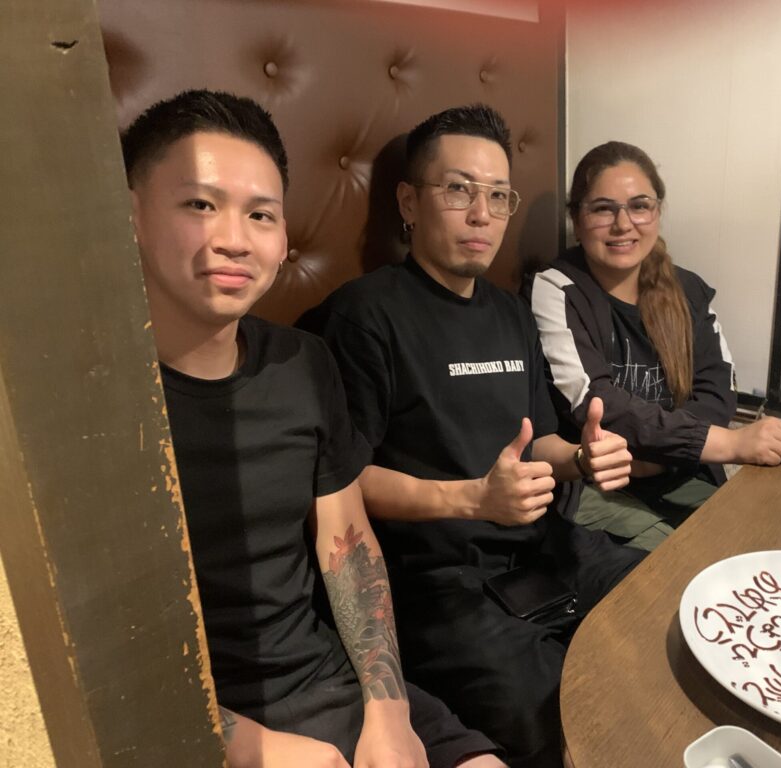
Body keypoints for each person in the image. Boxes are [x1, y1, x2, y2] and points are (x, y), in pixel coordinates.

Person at [122, 89, 504, 768]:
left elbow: (346, 543)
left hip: (326, 677)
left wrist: (388, 713)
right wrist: (256, 748)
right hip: (183, 719)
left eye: (261, 214)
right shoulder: (91, 407)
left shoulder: (303, 362)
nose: (234, 239)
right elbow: (94, 651)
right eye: (200, 204)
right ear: (130, 215)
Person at [298, 105, 643, 768]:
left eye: (497, 196)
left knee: (667, 609)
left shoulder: (510, 314)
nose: (482, 214)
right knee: (572, 721)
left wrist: (582, 458)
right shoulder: (366, 315)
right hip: (438, 586)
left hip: (546, 548)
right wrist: (474, 499)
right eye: (459, 190)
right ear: (409, 202)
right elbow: (344, 480)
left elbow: (538, 444)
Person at [526, 141, 781, 551]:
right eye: (603, 209)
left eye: (639, 206)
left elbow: (717, 391)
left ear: (657, 211)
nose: (623, 224)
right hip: (597, 484)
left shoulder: (687, 289)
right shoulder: (556, 288)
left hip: (679, 470)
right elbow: (595, 401)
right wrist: (729, 444)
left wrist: (657, 458)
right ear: (577, 220)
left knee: (758, 537)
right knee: (684, 558)